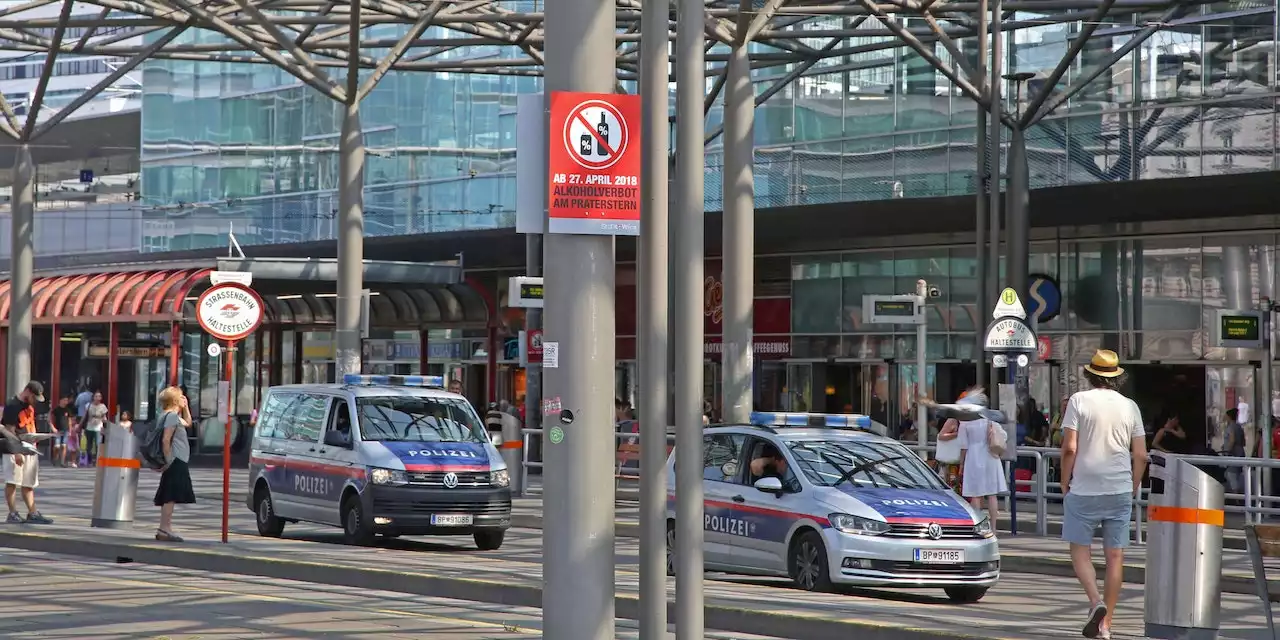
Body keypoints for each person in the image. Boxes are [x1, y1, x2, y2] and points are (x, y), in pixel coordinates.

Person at [1060, 349, 1148, 640]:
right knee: (1115, 557)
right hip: (1120, 488)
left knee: (1079, 551)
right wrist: (1134, 484)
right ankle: (1106, 625)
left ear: (1089, 374)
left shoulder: (1078, 401)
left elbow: (1070, 447)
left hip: (1084, 487)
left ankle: (1095, 601)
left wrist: (1064, 481)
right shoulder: (1130, 406)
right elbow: (1141, 454)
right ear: (1117, 376)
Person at [3, 381, 52, 524]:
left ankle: (32, 512)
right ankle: (12, 513)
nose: (35, 401)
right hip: (14, 448)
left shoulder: (29, 406)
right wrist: (16, 452)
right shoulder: (12, 406)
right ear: (28, 392)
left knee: (28, 482)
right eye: (34, 397)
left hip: (29, 446)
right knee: (12, 481)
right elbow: (9, 430)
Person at [956, 388, 1006, 528]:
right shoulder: (989, 417)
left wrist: (961, 464)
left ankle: (979, 526)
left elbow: (963, 445)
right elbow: (1002, 435)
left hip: (973, 456)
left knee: (976, 494)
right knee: (992, 494)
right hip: (991, 456)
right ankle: (994, 527)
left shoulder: (965, 421)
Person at [154, 386, 195, 542]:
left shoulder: (168, 415)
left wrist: (186, 408)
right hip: (175, 460)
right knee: (170, 496)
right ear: (175, 400)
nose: (183, 399)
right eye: (181, 397)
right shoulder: (171, 417)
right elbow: (166, 439)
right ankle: (165, 528)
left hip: (176, 460)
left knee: (169, 495)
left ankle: (164, 527)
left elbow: (188, 423)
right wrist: (169, 459)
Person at [1222, 408, 1246, 495]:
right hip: (1240, 453)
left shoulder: (1231, 427)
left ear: (1228, 416)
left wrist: (1227, 451)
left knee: (1231, 475)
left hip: (1233, 454)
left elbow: (1232, 440)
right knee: (1234, 475)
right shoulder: (1239, 427)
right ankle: (1237, 495)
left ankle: (1237, 497)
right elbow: (1244, 442)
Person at [83, 391, 107, 465]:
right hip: (90, 426)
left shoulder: (103, 406)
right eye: (96, 396)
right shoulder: (88, 405)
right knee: (89, 444)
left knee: (98, 444)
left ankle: (97, 460)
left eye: (99, 396)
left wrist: (105, 425)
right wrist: (80, 425)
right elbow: (84, 416)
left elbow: (104, 417)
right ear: (93, 397)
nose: (97, 398)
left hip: (99, 426)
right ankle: (89, 460)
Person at [49, 394, 72, 467]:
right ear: (60, 401)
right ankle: (55, 459)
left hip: (66, 429)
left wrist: (70, 430)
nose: (66, 402)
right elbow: (50, 419)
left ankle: (62, 462)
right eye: (64, 400)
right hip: (58, 430)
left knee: (64, 445)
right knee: (57, 446)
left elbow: (69, 420)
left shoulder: (68, 410)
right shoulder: (56, 410)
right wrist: (53, 428)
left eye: (67, 400)